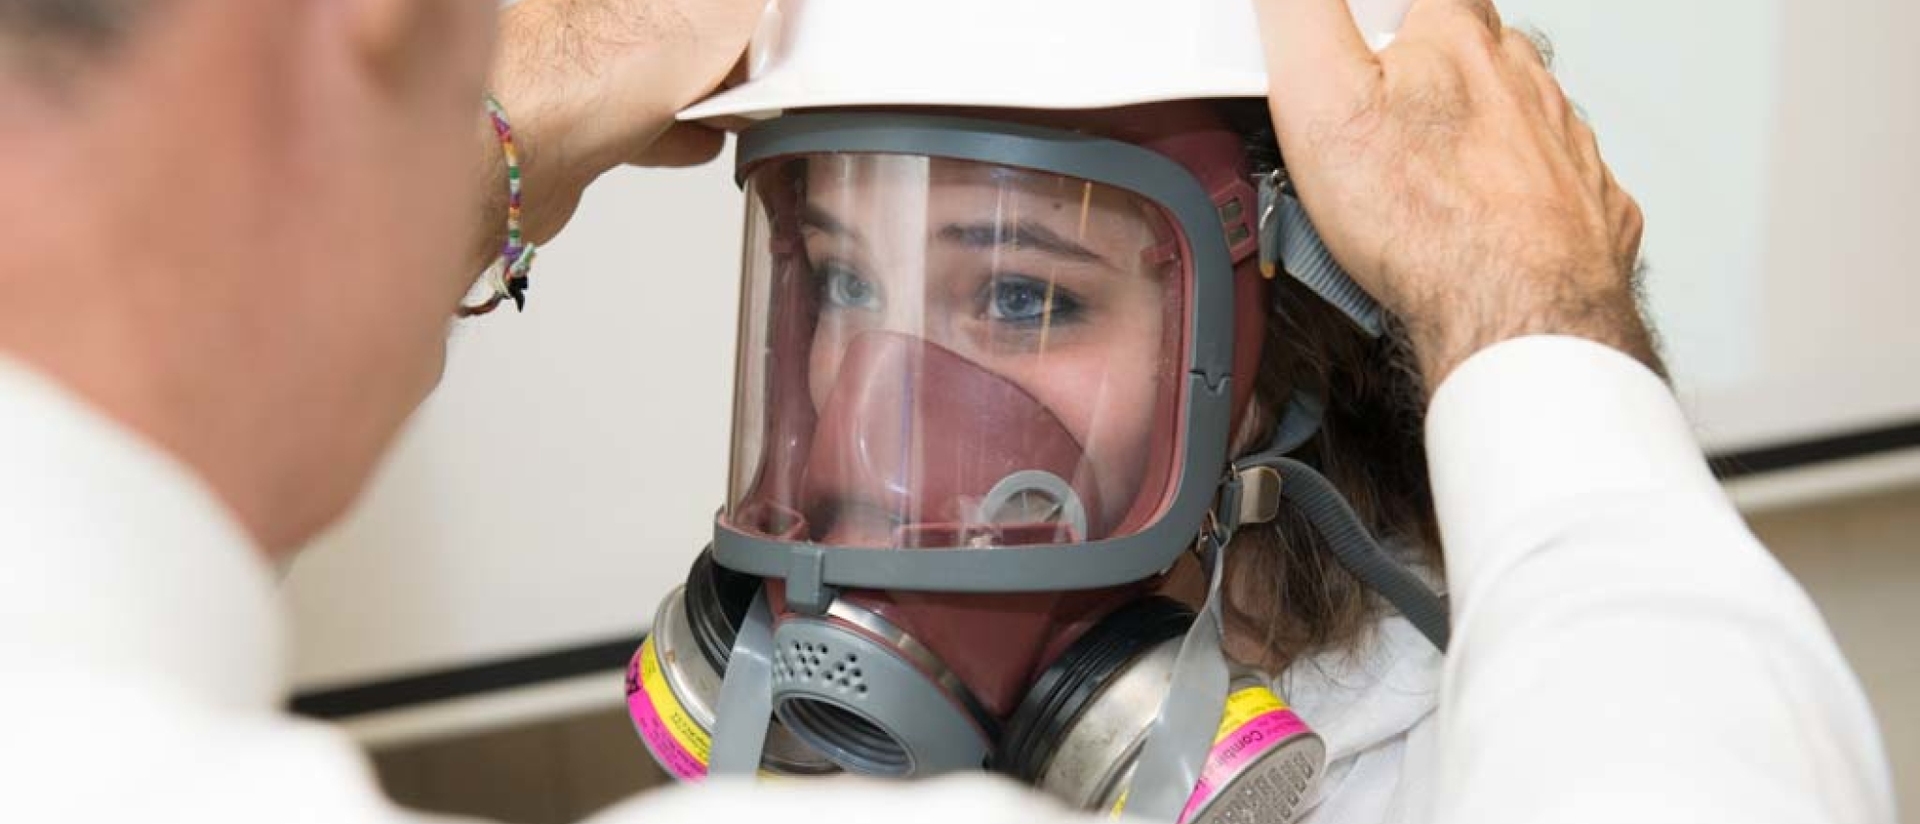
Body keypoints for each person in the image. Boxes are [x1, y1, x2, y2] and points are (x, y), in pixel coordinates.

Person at [0, 0, 1894, 823]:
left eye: (1021, 292)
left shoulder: (1469, 752)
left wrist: (469, 141)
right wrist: (1539, 309)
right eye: (834, 279)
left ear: (1282, 345)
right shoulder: (1632, 694)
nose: (886, 415)